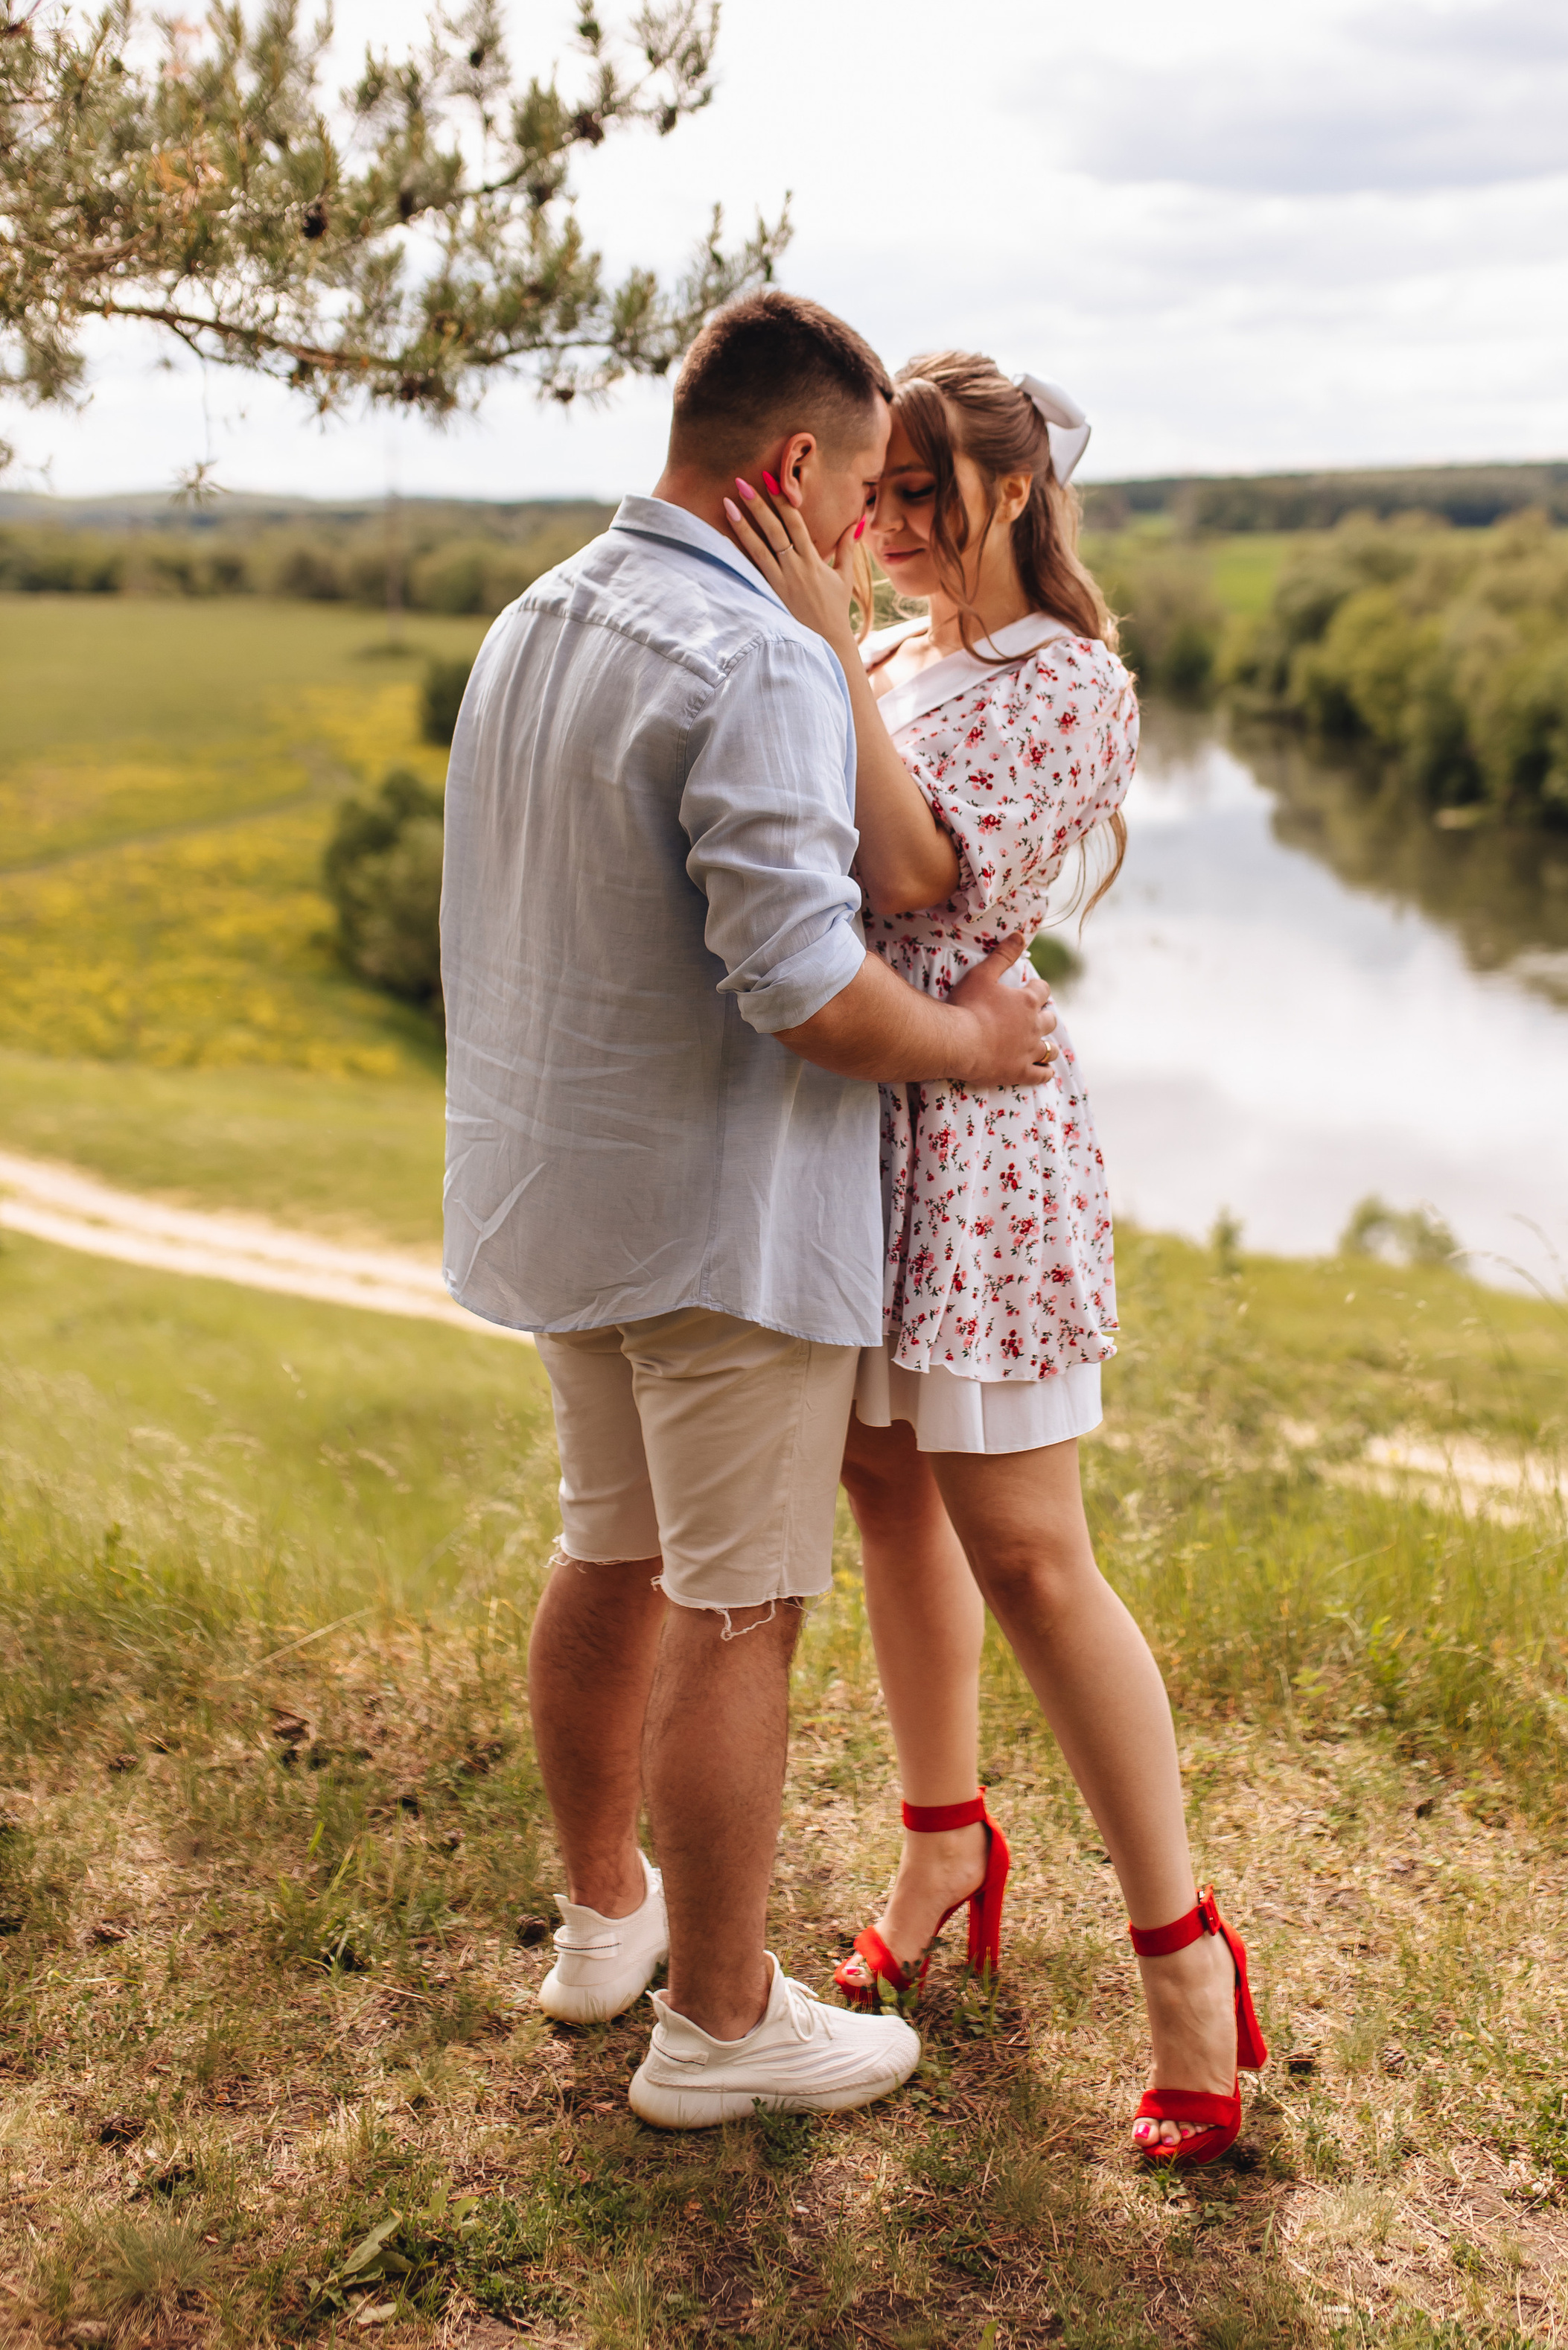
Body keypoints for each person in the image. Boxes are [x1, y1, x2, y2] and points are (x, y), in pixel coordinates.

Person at [439, 291, 1059, 2130]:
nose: (872, 527)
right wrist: (971, 1040)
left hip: (563, 1194)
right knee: (740, 1604)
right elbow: (804, 985)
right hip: (719, 1224)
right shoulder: (760, 657)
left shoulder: (534, 617)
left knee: (605, 1549)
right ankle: (718, 2026)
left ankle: (601, 1924)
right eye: (864, 483)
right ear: (792, 467)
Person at [722, 350, 1267, 2166]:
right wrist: (831, 657)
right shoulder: (882, 651)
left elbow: (920, 882)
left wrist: (819, 661)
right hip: (852, 1128)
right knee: (884, 1497)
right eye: (870, 494)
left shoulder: (1074, 685)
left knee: (1031, 1554)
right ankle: (943, 1839)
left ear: (1014, 492)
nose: (877, 531)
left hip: (976, 1151)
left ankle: (1185, 1959)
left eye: (917, 496)